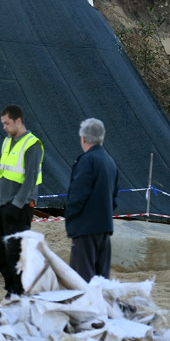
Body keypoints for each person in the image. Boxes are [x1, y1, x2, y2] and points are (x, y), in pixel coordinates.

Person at [0, 104, 43, 303]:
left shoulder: (32, 144)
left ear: (18, 121)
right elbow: (8, 171)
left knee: (16, 252)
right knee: (3, 253)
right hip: (2, 203)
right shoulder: (7, 141)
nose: (4, 127)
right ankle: (11, 291)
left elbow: (31, 177)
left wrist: (17, 204)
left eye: (7, 123)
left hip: (18, 206)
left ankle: (19, 293)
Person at [65, 118, 119, 281]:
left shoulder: (87, 160)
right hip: (104, 228)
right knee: (101, 281)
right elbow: (114, 199)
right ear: (102, 137)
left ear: (83, 138)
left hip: (86, 229)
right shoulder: (110, 161)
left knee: (82, 280)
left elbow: (78, 195)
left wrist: (71, 217)